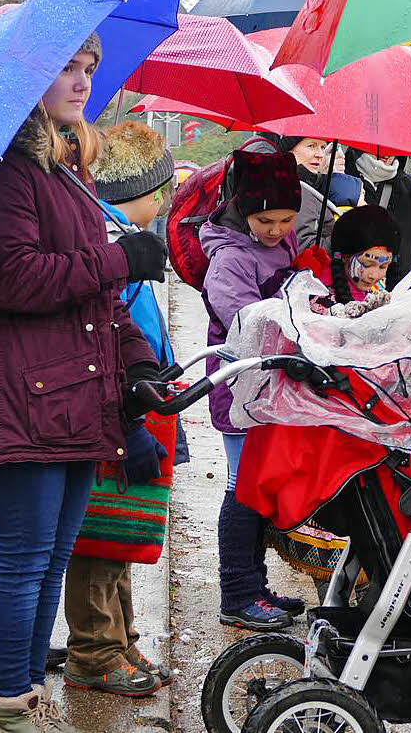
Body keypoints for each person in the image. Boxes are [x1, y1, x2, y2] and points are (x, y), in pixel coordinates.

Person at [0, 34, 168, 731]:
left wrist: (138, 363)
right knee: (22, 559)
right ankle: (8, 708)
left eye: (87, 69)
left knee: (52, 559)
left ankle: (22, 698)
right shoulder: (3, 174)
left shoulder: (68, 175)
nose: (81, 82)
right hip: (20, 394)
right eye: (65, 68)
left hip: (78, 396)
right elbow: (11, 278)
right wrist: (119, 261)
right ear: (28, 78)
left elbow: (99, 302)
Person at [61, 119, 176, 697]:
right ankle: (94, 649)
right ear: (144, 194)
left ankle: (119, 637)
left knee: (121, 534)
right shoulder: (116, 248)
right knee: (98, 537)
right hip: (114, 410)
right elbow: (108, 333)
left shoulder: (124, 240)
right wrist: (130, 419)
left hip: (135, 402)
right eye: (160, 191)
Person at [201, 150, 305, 631]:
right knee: (240, 487)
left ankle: (256, 586)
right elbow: (245, 324)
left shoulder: (281, 247)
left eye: (287, 219)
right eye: (265, 219)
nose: (276, 229)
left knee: (259, 486)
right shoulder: (228, 258)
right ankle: (237, 592)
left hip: (273, 385)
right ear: (242, 209)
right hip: (240, 386)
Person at [344, 147, 411, 285]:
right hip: (348, 289)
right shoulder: (343, 181)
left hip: (397, 291)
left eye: (391, 147)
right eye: (378, 146)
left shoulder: (405, 185)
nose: (386, 153)